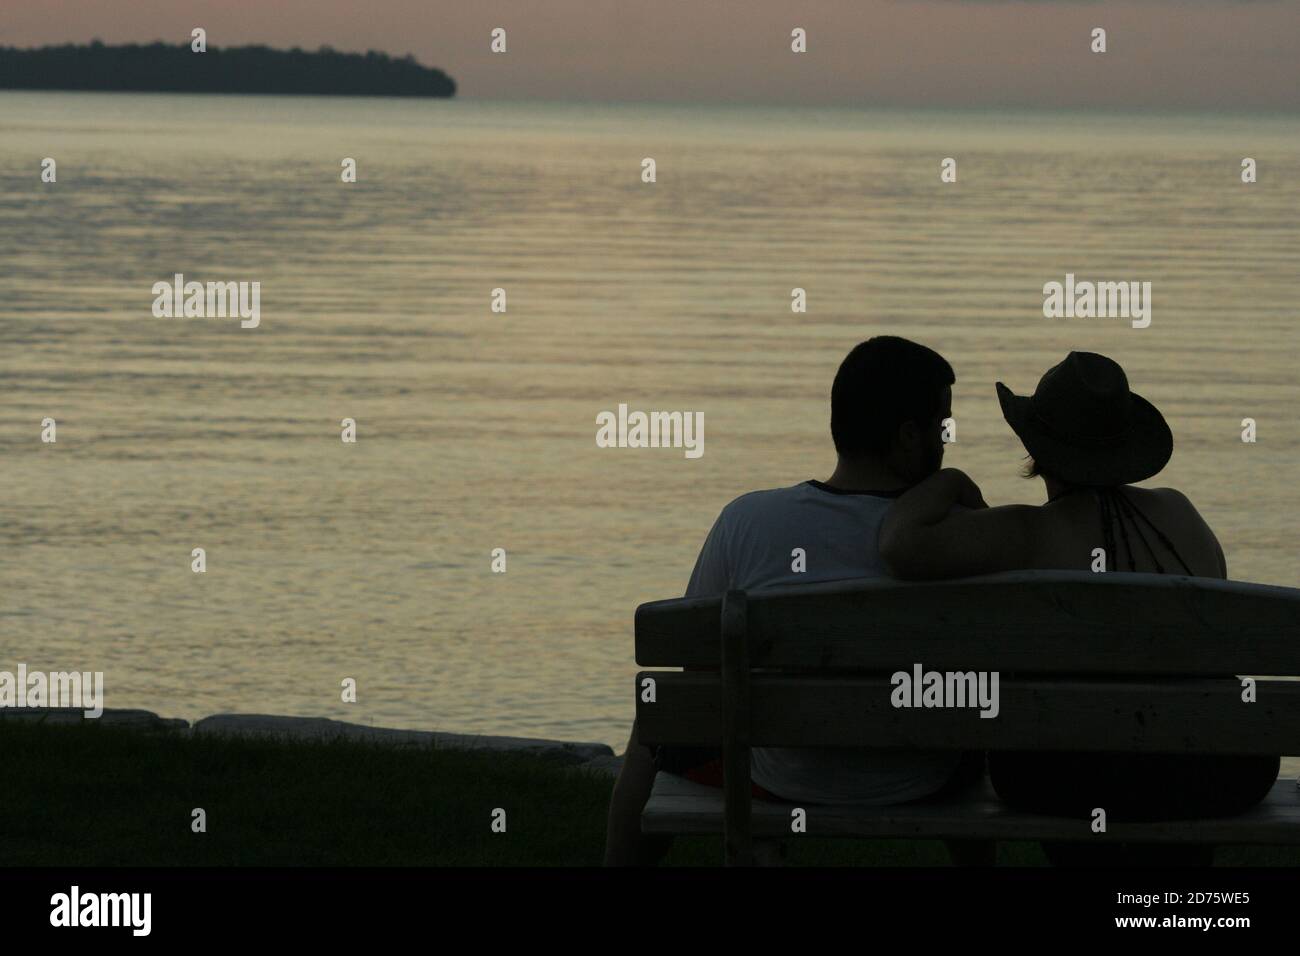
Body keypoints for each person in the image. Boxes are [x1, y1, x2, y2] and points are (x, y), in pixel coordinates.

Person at [878, 350, 1280, 866]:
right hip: (1222, 774)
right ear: (1127, 442)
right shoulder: (1181, 512)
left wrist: (951, 479)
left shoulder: (1026, 533)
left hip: (1068, 783)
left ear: (1037, 448)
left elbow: (899, 544)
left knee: (1071, 750)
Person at [603, 336, 984, 867]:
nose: (948, 441)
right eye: (943, 428)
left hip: (779, 773)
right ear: (907, 438)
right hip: (922, 777)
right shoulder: (959, 537)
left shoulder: (749, 522)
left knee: (659, 713)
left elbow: (697, 669)